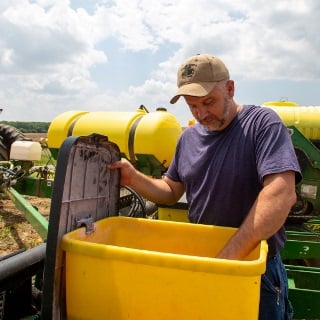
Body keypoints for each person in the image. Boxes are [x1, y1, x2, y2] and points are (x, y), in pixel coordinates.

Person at [108, 53, 301, 320]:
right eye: (192, 106)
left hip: (255, 270)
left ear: (230, 89)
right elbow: (172, 190)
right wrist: (134, 178)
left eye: (208, 102)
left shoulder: (262, 124)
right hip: (205, 260)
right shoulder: (187, 138)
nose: (201, 114)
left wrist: (224, 262)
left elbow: (280, 193)